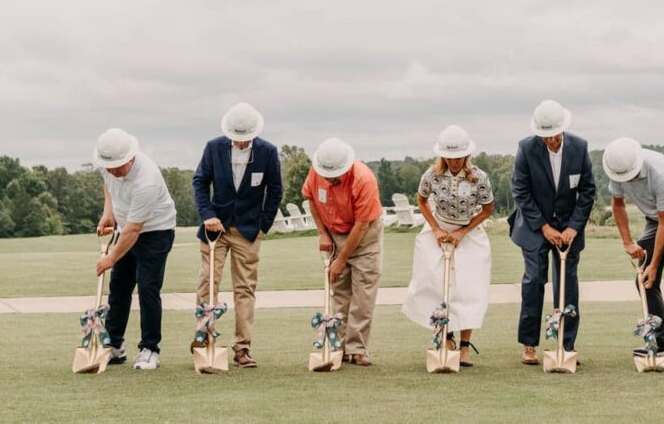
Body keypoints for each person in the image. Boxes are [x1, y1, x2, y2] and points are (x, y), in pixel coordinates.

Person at [192, 102, 283, 368]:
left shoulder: (268, 152)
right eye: (236, 139)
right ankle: (204, 337)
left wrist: (262, 227)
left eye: (245, 140)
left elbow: (275, 191)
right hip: (214, 229)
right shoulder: (213, 147)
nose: (241, 144)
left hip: (248, 230)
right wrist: (208, 214)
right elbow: (200, 181)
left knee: (245, 288)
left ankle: (242, 348)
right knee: (208, 282)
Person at [509, 100, 596, 366]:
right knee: (534, 279)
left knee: (567, 284)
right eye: (545, 137)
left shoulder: (579, 147)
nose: (551, 141)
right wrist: (544, 227)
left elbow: (588, 191)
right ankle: (529, 344)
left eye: (554, 135)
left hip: (569, 225)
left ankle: (566, 344)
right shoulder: (526, 148)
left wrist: (572, 227)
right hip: (535, 226)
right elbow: (520, 192)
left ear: (563, 129)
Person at [604, 137, 664, 366]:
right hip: (655, 218)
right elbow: (618, 205)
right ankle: (663, 339)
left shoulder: (660, 171)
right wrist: (628, 242)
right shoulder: (616, 168)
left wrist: (654, 265)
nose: (626, 180)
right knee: (643, 280)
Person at [401, 125, 494, 367]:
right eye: (450, 157)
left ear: (467, 155)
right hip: (439, 230)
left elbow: (488, 209)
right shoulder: (432, 174)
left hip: (468, 232)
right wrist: (435, 228)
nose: (454, 162)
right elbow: (421, 200)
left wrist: (463, 231)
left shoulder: (479, 177)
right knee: (436, 285)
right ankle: (446, 338)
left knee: (469, 288)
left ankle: (464, 347)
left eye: (459, 157)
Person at [92, 128, 177, 371]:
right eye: (110, 167)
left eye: (118, 167)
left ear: (130, 158)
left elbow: (134, 230)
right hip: (124, 224)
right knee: (118, 287)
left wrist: (110, 258)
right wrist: (108, 213)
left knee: (148, 287)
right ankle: (114, 345)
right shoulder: (106, 161)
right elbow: (108, 185)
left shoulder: (146, 180)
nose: (113, 172)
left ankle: (150, 349)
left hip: (156, 231)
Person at [302, 138, 384, 366]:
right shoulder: (317, 172)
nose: (329, 180)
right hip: (334, 231)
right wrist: (323, 234)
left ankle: (357, 348)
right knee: (340, 292)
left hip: (365, 236)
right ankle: (336, 345)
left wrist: (342, 259)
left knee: (363, 293)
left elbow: (362, 225)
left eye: (334, 176)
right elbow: (311, 199)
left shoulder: (363, 179)